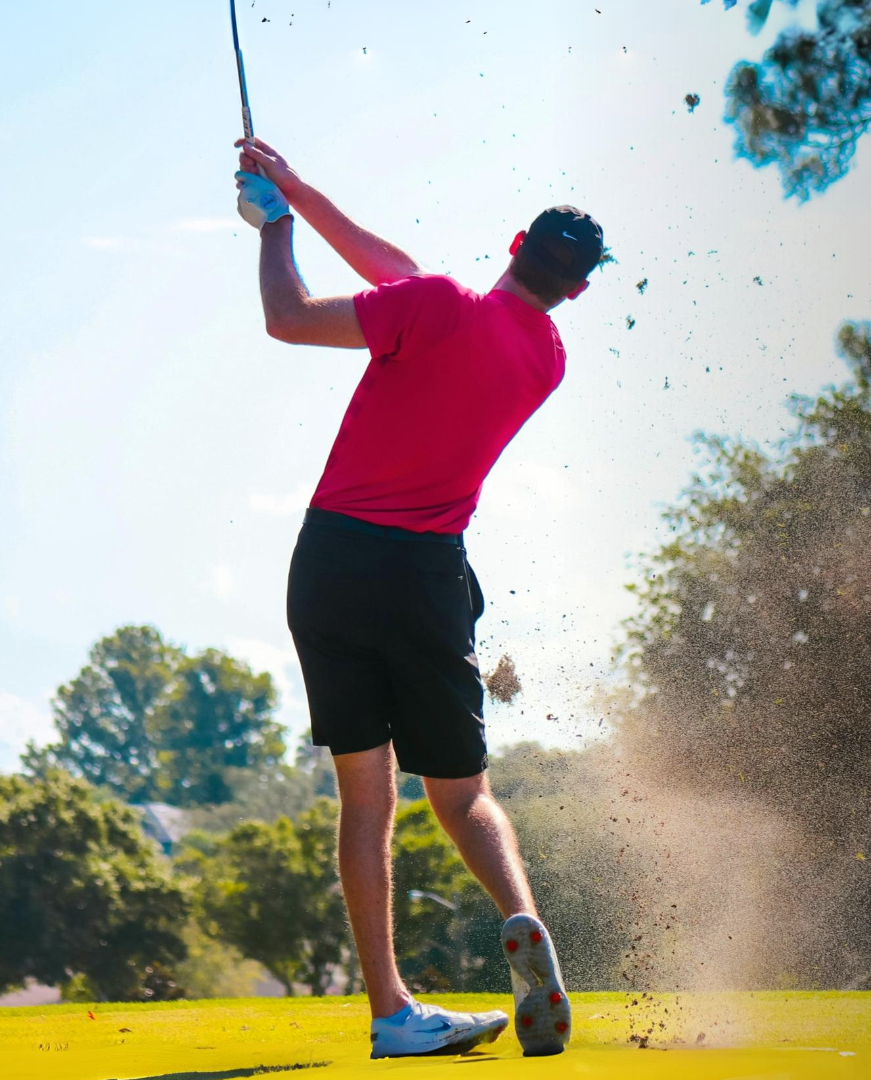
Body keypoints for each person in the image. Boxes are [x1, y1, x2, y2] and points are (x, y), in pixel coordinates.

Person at [233, 138, 597, 1059]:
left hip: (333, 564)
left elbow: (288, 318)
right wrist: (298, 188)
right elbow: (402, 275)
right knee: (463, 794)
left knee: (366, 801)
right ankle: (521, 917)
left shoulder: (432, 305)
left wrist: (272, 226)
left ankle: (392, 1012)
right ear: (578, 290)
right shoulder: (545, 357)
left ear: (512, 244)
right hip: (428, 575)